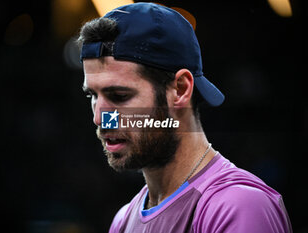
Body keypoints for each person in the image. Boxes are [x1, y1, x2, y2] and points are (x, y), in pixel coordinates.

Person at [77, 2, 292, 233]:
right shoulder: (122, 221)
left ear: (180, 89)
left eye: (119, 96)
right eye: (92, 95)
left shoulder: (239, 207)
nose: (100, 118)